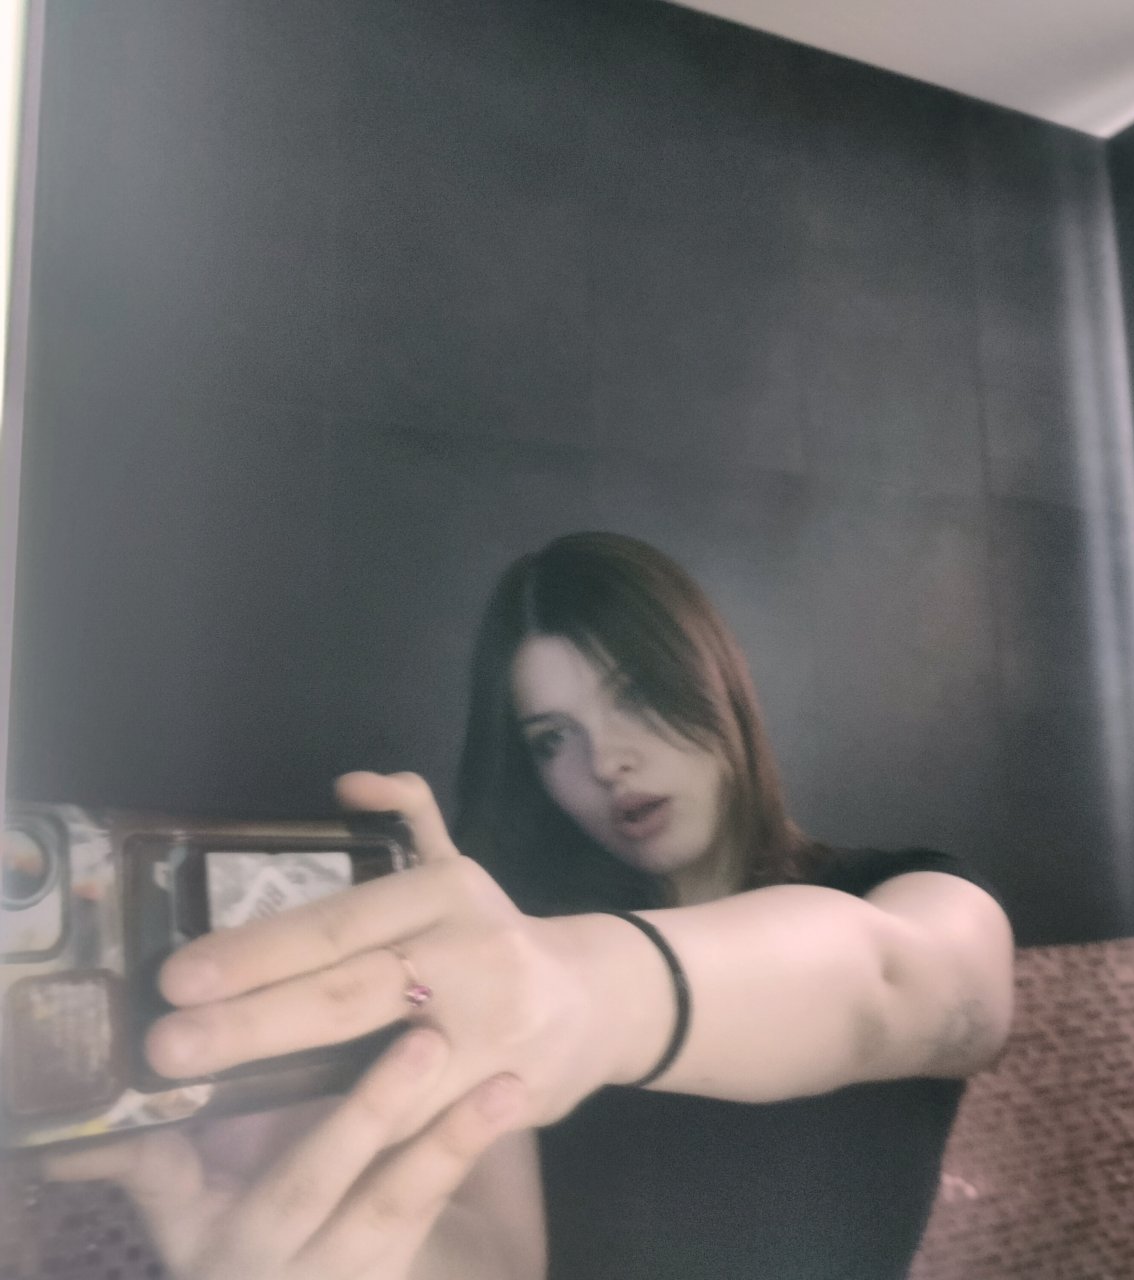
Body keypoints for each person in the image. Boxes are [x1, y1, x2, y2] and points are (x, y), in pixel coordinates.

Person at [45, 531, 1014, 1280]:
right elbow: (497, 1264)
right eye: (553, 738)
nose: (605, 760)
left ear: (715, 680)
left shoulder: (906, 892)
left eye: (636, 695)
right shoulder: (501, 974)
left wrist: (585, 991)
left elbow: (902, 984)